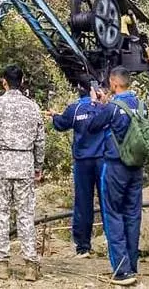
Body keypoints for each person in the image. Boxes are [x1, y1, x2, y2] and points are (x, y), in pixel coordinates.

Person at [0, 65, 45, 281]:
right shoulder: (33, 107)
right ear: (22, 80)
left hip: (1, 165)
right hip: (24, 164)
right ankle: (30, 266)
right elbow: (40, 140)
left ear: (3, 82)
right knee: (25, 214)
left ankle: (2, 264)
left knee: (0, 213)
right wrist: (38, 165)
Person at [85, 67, 142, 286]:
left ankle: (121, 270)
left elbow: (92, 126)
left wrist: (96, 104)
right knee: (133, 214)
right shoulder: (141, 105)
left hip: (116, 166)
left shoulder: (112, 107)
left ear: (113, 83)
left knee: (113, 215)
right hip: (136, 167)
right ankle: (132, 266)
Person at [50, 78, 105, 259]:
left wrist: (54, 116)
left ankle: (83, 247)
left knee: (83, 203)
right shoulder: (105, 107)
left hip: (83, 162)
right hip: (103, 160)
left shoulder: (75, 109)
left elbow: (60, 124)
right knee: (108, 201)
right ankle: (111, 241)